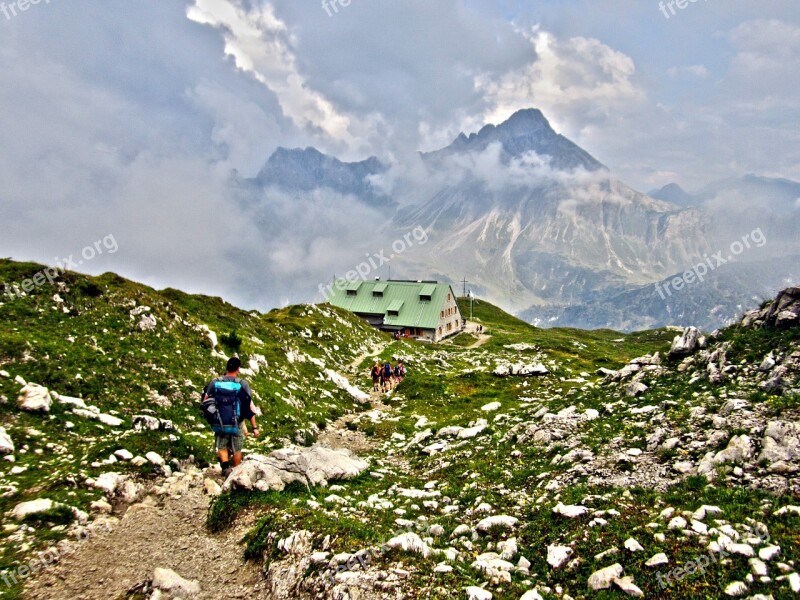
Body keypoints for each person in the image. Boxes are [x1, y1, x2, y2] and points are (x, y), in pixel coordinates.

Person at [202, 357, 259, 477]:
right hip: (236, 422)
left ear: (227, 367)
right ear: (238, 369)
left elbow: (205, 400)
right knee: (237, 448)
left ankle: (225, 466)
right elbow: (249, 406)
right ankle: (235, 473)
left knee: (221, 445)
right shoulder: (242, 384)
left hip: (220, 421)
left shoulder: (215, 382)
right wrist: (254, 427)